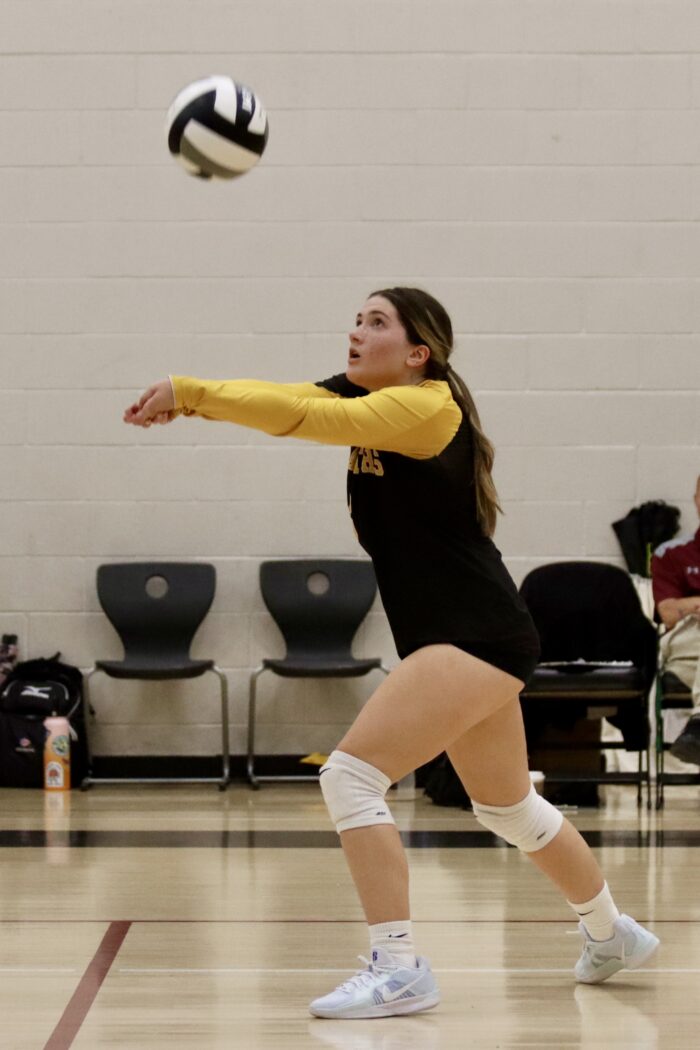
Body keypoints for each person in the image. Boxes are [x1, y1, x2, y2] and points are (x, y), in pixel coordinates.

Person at [124, 286, 659, 1019]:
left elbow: (309, 417)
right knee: (508, 808)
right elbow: (290, 400)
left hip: (471, 633)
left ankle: (399, 966)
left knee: (349, 778)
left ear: (419, 353)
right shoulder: (370, 400)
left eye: (376, 323)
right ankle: (611, 934)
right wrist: (191, 401)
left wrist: (191, 390)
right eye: (356, 318)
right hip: (474, 634)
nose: (355, 332)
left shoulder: (428, 405)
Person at [651, 475, 700, 764]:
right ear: (696, 500)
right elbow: (668, 612)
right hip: (685, 643)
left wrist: (691, 602)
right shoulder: (671, 553)